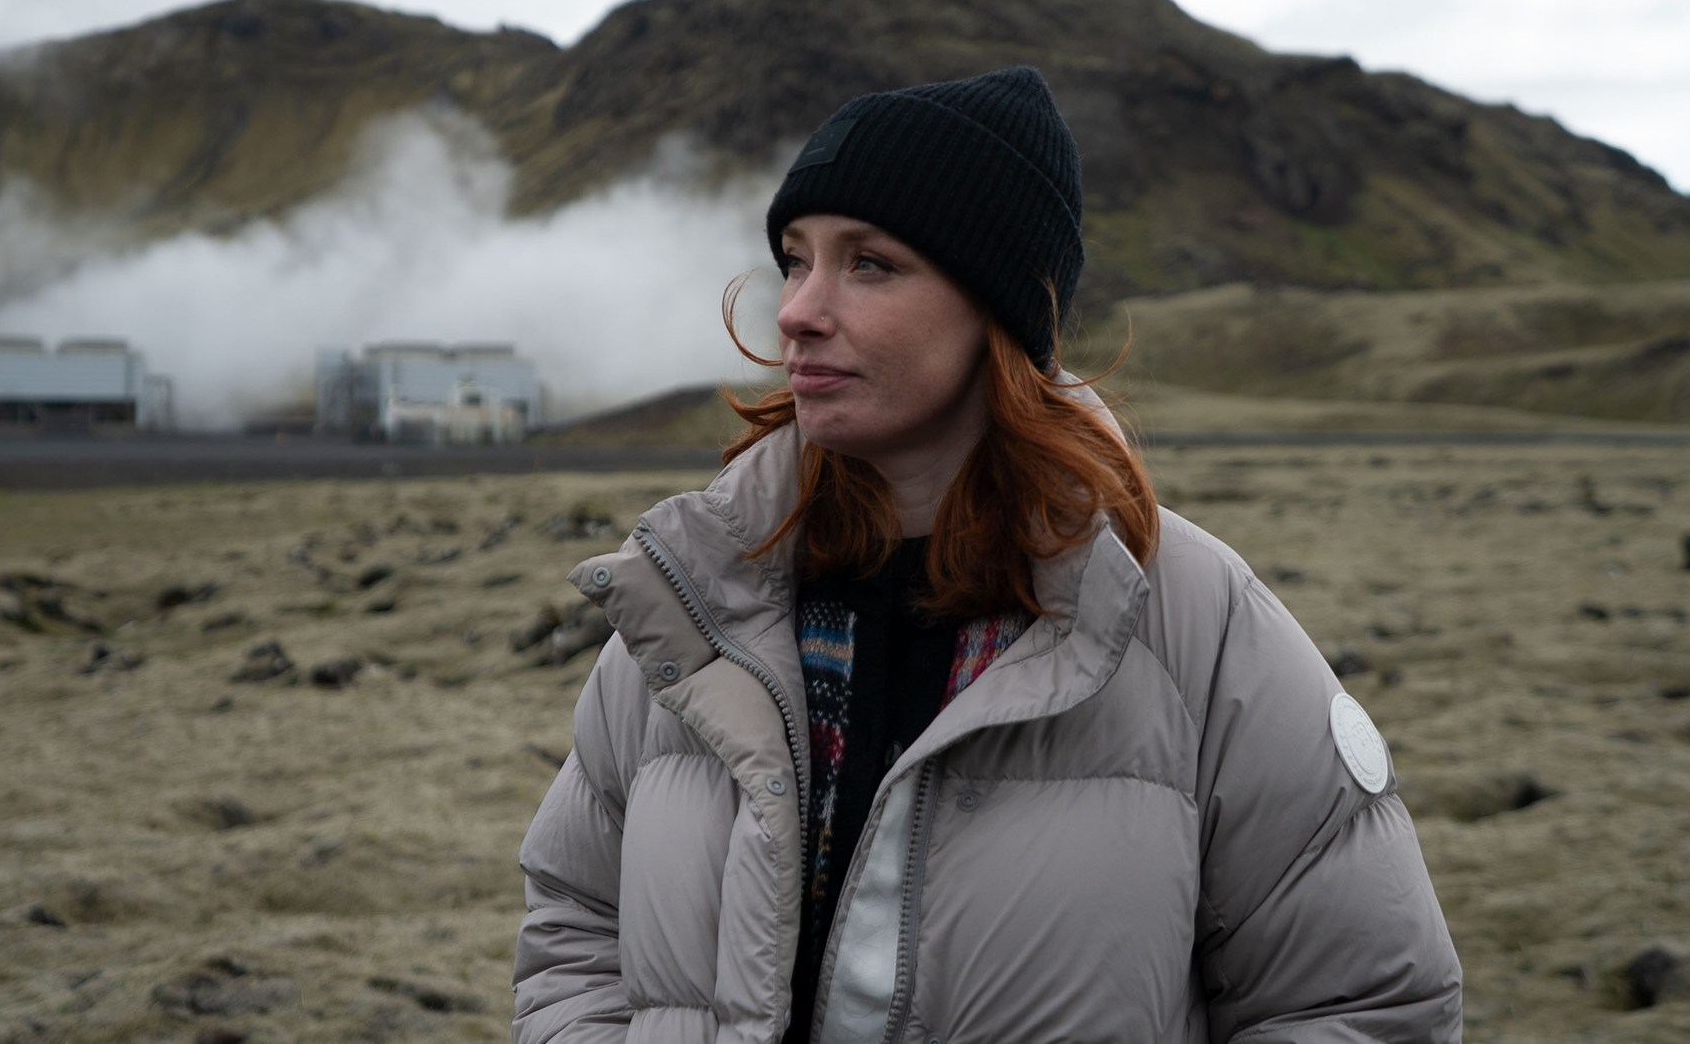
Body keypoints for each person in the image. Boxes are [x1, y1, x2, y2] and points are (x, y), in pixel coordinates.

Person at [512, 67, 1463, 1043]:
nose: (797, 309)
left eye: (869, 263)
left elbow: (1361, 1005)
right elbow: (575, 923)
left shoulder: (1193, 620)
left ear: (998, 310)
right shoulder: (700, 597)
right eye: (796, 260)